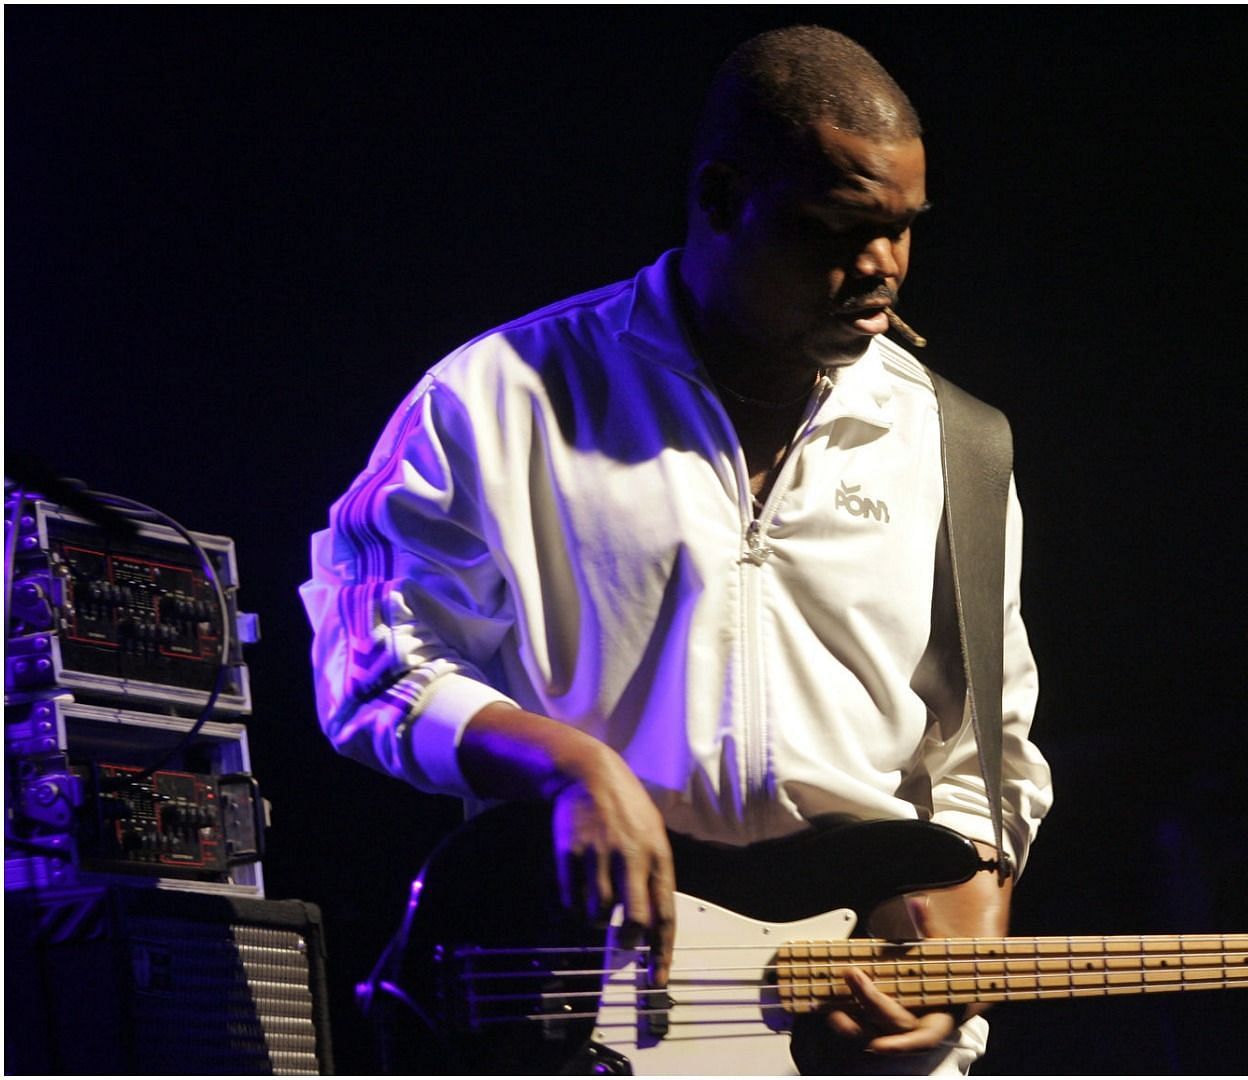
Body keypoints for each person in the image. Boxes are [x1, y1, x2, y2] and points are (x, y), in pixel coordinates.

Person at [301, 25, 1052, 1074]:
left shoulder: (959, 443)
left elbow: (981, 762)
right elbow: (372, 664)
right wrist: (566, 766)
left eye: (903, 230)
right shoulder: (500, 396)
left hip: (844, 1039)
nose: (881, 268)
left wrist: (956, 982)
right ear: (718, 198)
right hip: (583, 1007)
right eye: (833, 229)